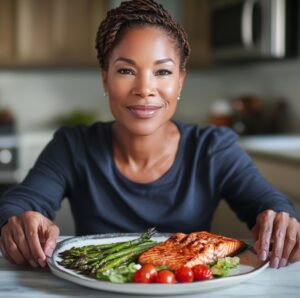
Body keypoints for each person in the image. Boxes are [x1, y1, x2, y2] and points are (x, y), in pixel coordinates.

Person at [0, 0, 299, 271]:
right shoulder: (73, 145)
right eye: (126, 71)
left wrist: (279, 220)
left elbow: (269, 203)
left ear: (180, 81)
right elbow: (18, 204)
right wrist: (22, 222)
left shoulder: (211, 148)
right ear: (105, 77)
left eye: (163, 72)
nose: (145, 89)